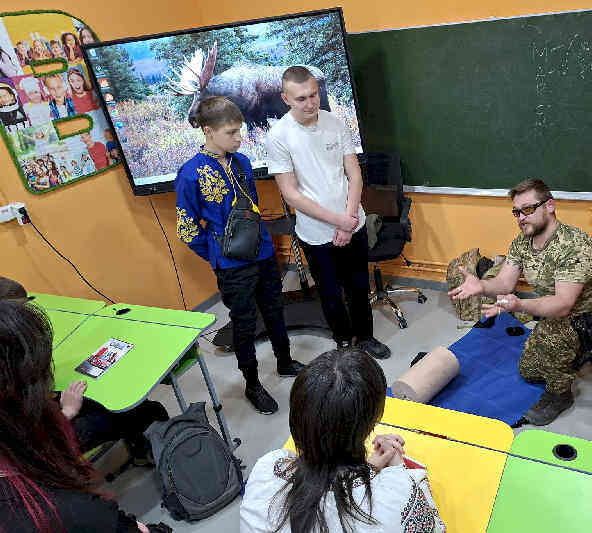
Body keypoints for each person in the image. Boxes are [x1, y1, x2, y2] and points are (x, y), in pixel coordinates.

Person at [449, 179, 592, 425]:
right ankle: (591, 352)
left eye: (528, 209)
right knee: (529, 370)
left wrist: (519, 305)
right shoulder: (522, 242)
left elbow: (562, 304)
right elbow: (504, 284)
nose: (521, 217)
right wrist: (482, 286)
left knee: (553, 340)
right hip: (562, 313)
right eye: (516, 212)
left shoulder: (574, 245)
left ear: (549, 206)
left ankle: (561, 394)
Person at [175, 96, 303, 415]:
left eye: (239, 131)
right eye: (231, 133)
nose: (238, 138)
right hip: (232, 265)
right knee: (244, 323)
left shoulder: (242, 161)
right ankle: (253, 384)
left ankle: (285, 361)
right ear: (208, 131)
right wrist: (218, 252)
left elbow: (252, 211)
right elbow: (186, 228)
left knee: (275, 309)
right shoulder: (190, 174)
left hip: (263, 252)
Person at [0, 299, 168, 532]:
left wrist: (65, 412)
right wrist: (65, 413)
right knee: (147, 411)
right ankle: (146, 453)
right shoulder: (74, 512)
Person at [240, 347, 446, 533]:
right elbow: (434, 526)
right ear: (372, 422)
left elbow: (324, 483)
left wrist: (369, 467)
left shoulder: (267, 468)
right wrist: (397, 469)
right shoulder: (394, 498)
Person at [266, 66, 391, 360]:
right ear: (285, 98)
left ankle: (366, 338)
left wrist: (348, 221)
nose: (310, 103)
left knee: (359, 287)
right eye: (301, 99)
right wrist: (338, 222)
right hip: (317, 233)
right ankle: (344, 343)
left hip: (353, 222)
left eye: (314, 94)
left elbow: (354, 175)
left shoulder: (336, 122)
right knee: (331, 294)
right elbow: (291, 193)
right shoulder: (278, 136)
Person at [0, 277, 171, 463]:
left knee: (109, 397)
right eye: (21, 313)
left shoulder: (10, 358)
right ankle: (161, 460)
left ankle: (141, 450)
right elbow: (27, 444)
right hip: (46, 442)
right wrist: (68, 411)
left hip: (45, 417)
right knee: (148, 411)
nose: (28, 317)